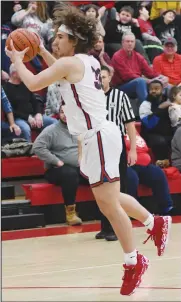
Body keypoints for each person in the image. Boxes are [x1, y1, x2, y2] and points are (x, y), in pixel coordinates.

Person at [6, 5, 171, 296]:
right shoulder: (86, 60)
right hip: (98, 136)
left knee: (108, 204)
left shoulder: (69, 64)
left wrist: (18, 59)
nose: (54, 42)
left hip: (99, 136)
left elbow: (33, 84)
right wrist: (42, 51)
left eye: (59, 37)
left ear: (73, 40)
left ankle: (134, 262)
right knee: (109, 198)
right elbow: (59, 68)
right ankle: (154, 222)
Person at [33, 105, 84, 226]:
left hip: (80, 168)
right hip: (57, 170)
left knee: (100, 172)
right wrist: (56, 161)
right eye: (62, 112)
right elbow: (37, 147)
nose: (65, 115)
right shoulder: (51, 130)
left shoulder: (81, 128)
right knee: (69, 174)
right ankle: (70, 214)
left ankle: (107, 210)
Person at [2, 63, 57, 142]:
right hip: (18, 119)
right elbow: (10, 111)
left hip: (33, 116)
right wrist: (27, 117)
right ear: (14, 74)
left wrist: (38, 114)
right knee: (25, 128)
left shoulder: (25, 85)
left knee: (54, 122)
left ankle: (53, 146)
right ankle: (29, 151)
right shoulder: (5, 89)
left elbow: (35, 101)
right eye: (21, 71)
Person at [111, 32, 159, 103]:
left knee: (163, 84)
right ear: (122, 43)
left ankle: (162, 110)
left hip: (137, 83)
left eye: (132, 41)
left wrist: (160, 77)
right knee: (140, 81)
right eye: (127, 41)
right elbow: (127, 76)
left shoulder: (138, 56)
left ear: (134, 43)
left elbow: (149, 72)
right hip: (121, 87)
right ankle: (145, 110)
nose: (130, 44)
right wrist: (146, 80)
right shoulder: (117, 56)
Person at [139, 80, 173, 167]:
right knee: (160, 142)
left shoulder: (169, 101)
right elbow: (149, 124)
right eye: (151, 89)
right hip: (152, 134)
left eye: (156, 89)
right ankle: (163, 165)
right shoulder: (145, 104)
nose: (153, 91)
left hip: (169, 133)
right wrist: (160, 109)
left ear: (162, 89)